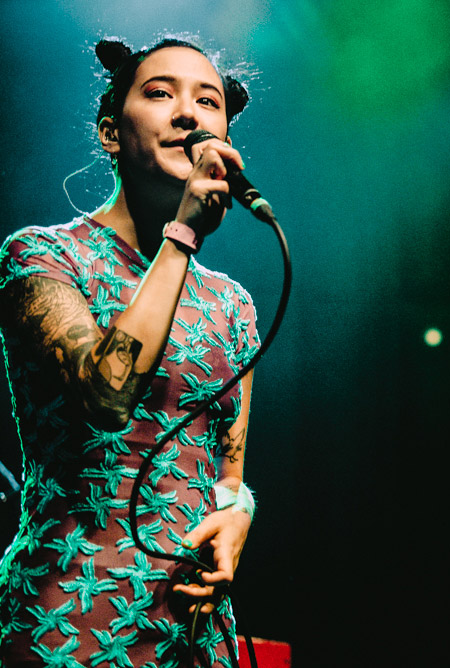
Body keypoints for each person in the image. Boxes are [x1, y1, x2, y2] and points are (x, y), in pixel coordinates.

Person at [0, 37, 260, 666]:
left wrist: (238, 513)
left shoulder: (232, 304)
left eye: (208, 100)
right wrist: (182, 236)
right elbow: (106, 393)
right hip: (70, 613)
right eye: (160, 93)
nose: (188, 114)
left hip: (192, 627)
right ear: (112, 133)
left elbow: (230, 477)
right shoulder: (42, 256)